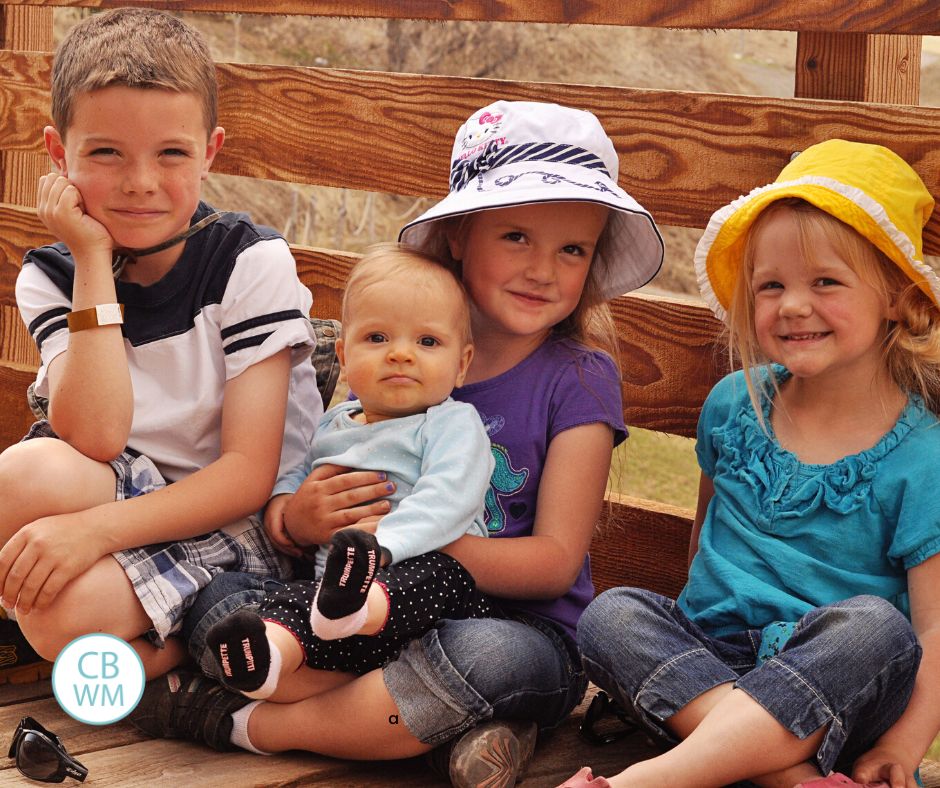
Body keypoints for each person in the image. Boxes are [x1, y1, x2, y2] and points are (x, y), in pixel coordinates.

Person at [129, 99, 664, 787]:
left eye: (573, 249)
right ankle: (438, 727)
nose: (544, 269)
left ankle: (246, 724)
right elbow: (319, 464)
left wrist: (402, 542)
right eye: (518, 237)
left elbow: (555, 566)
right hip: (358, 618)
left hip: (515, 628)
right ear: (462, 237)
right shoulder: (400, 347)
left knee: (485, 660)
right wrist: (297, 519)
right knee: (222, 597)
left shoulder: (578, 380)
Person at [562, 139, 940, 788]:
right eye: (772, 285)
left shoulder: (922, 453)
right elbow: (700, 550)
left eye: (826, 281)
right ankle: (783, 775)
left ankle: (649, 780)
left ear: (898, 299)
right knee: (611, 614)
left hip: (837, 688)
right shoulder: (734, 406)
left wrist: (903, 747)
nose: (793, 304)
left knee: (876, 628)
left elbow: (934, 630)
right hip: (707, 662)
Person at [0, 8, 319, 679]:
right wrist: (91, 259)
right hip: (124, 487)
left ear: (211, 151)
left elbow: (247, 475)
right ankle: (161, 632)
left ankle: (194, 643)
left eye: (170, 153)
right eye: (106, 152)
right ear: (60, 155)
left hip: (239, 530)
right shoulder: (54, 273)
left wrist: (89, 534)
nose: (140, 182)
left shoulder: (248, 263)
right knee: (20, 477)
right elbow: (95, 434)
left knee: (58, 618)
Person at [205, 245, 497, 697]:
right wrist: (285, 510)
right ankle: (268, 658)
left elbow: (449, 498)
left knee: (444, 571)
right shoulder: (333, 423)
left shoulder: (451, 423)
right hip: (331, 600)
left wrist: (382, 548)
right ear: (343, 355)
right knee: (242, 590)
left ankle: (350, 614)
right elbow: (296, 473)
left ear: (461, 364)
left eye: (427, 342)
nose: (400, 354)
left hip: (427, 605)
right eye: (378, 338)